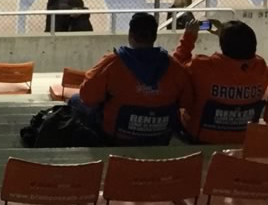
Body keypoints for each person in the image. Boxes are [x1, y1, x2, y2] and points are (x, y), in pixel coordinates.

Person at [68, 12, 188, 145]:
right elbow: (186, 102)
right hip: (160, 136)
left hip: (115, 137)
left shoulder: (112, 63)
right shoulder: (174, 67)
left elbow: (87, 96)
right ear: (154, 36)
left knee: (75, 100)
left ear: (130, 35)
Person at [171, 19, 267, 144]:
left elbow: (175, 68)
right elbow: (250, 56)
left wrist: (188, 38)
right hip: (242, 138)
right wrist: (226, 35)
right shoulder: (260, 68)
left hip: (200, 138)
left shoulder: (201, 66)